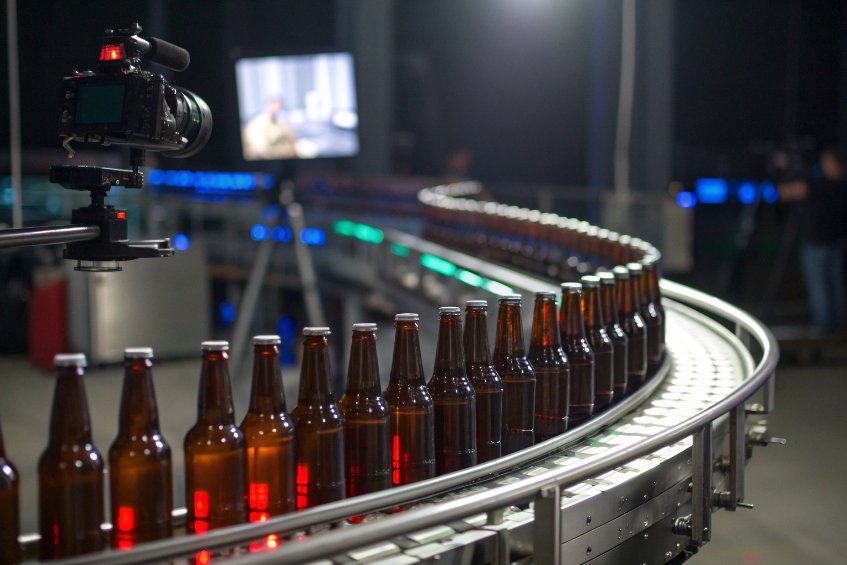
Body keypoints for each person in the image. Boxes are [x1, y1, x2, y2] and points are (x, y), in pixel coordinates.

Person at [780, 147, 847, 331]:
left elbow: (785, 192)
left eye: (827, 162)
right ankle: (836, 327)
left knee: (821, 288)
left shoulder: (820, 185)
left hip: (818, 244)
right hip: (835, 244)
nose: (824, 166)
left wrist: (786, 171)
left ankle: (824, 328)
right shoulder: (836, 185)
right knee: (835, 287)